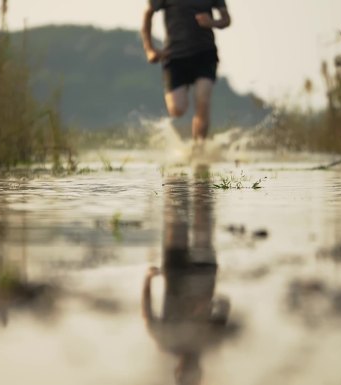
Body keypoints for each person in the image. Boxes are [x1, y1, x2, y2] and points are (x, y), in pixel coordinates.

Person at [142, 168, 236, 385]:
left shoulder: (166, 342)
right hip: (204, 272)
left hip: (175, 272)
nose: (188, 367)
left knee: (176, 216)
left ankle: (177, 168)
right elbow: (225, 304)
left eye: (184, 373)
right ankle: (199, 170)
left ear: (177, 371)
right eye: (192, 373)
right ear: (200, 371)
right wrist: (208, 305)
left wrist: (147, 280)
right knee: (202, 216)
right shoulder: (209, 342)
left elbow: (147, 315)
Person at [141, 0, 231, 145]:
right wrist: (149, 49)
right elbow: (147, 15)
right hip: (175, 57)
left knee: (203, 102)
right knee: (177, 109)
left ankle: (198, 148)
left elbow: (226, 19)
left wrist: (212, 22)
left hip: (205, 54)